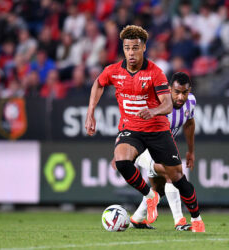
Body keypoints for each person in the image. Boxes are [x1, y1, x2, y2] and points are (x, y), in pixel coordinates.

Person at [85, 25, 205, 232]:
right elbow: (98, 83)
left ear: (144, 48)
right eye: (127, 48)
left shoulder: (155, 73)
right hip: (131, 129)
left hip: (157, 130)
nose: (131, 53)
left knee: (176, 177)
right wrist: (90, 113)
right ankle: (150, 197)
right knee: (122, 160)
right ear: (123, 49)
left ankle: (196, 219)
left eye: (135, 48)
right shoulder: (113, 71)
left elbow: (167, 104)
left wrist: (154, 111)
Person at [130, 72, 196, 231]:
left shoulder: (191, 102)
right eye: (177, 92)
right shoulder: (155, 104)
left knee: (159, 189)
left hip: (160, 150)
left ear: (189, 91)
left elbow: (189, 123)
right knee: (171, 173)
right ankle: (179, 221)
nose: (180, 97)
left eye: (184, 92)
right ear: (169, 90)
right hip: (142, 148)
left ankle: (137, 219)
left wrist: (190, 151)